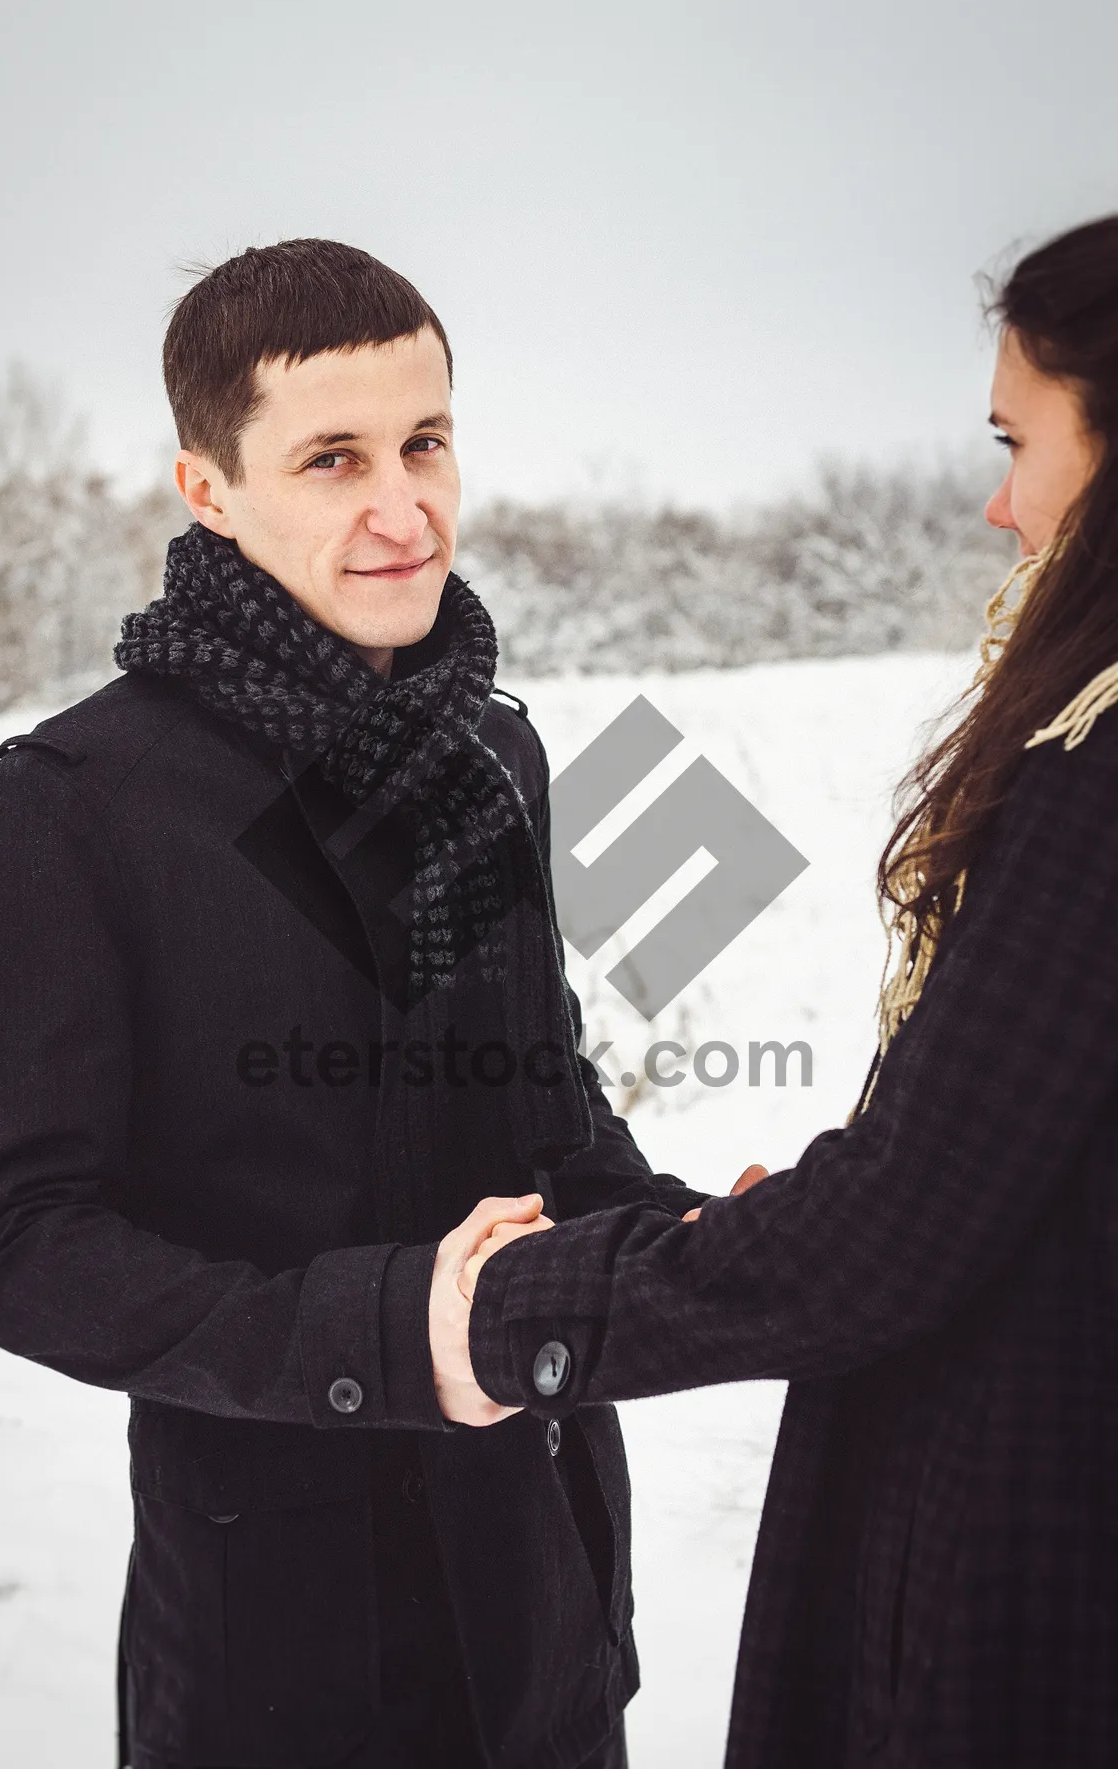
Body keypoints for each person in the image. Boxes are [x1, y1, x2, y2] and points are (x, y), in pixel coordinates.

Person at [0, 238, 712, 1769]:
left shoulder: (494, 755)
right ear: (209, 489)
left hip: (546, 1615)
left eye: (426, 443)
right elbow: (20, 1244)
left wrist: (718, 1237)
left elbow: (541, 1110)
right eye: (334, 457)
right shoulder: (71, 806)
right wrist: (381, 1332)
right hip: (274, 1653)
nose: (402, 508)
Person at [452, 213, 1118, 1767]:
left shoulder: (1097, 785)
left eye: (1024, 439)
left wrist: (514, 1312)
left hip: (1038, 1535)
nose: (998, 498)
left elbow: (910, 1228)